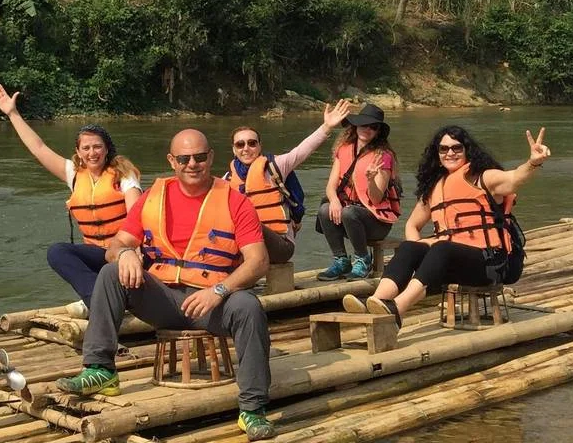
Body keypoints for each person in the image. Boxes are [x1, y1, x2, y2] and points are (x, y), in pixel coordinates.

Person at [55, 129, 277, 441]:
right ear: (172, 161)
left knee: (249, 306)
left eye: (200, 157)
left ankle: (252, 409)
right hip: (161, 298)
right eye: (184, 158)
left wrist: (219, 290)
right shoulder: (153, 197)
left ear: (210, 157)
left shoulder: (235, 201)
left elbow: (258, 261)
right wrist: (127, 253)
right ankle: (101, 369)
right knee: (110, 272)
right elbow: (116, 244)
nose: (192, 164)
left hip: (212, 302)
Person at [343, 125, 549, 327]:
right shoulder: (436, 188)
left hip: (491, 264)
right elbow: (412, 225)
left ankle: (398, 307)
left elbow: (514, 178)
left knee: (442, 248)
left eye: (456, 148)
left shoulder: (483, 177)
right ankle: (377, 301)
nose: (450, 152)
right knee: (409, 247)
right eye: (444, 149)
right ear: (437, 154)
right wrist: (421, 255)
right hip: (452, 264)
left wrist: (532, 163)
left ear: (467, 150)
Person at [0, 84, 142, 318]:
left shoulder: (124, 175)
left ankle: (104, 304)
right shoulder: (73, 173)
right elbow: (38, 148)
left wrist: (134, 252)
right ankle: (103, 302)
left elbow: (137, 217)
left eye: (97, 147)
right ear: (79, 151)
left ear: (106, 149)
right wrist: (13, 114)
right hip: (97, 256)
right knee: (57, 252)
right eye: (86, 148)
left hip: (123, 254)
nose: (92, 153)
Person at [224, 99, 353, 264]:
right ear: (234, 150)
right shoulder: (227, 180)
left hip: (280, 245)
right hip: (245, 248)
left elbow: (302, 150)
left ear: (259, 146)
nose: (246, 148)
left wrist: (327, 127)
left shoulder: (276, 166)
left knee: (246, 220)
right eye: (240, 144)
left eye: (252, 143)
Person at [316, 103, 401, 280]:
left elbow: (376, 199)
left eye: (373, 127)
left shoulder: (383, 157)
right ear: (356, 126)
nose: (367, 129)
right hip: (350, 217)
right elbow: (331, 187)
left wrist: (371, 179)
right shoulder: (344, 149)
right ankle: (341, 260)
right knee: (325, 209)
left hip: (376, 222)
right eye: (364, 124)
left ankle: (363, 259)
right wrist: (334, 201)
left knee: (349, 212)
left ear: (378, 132)